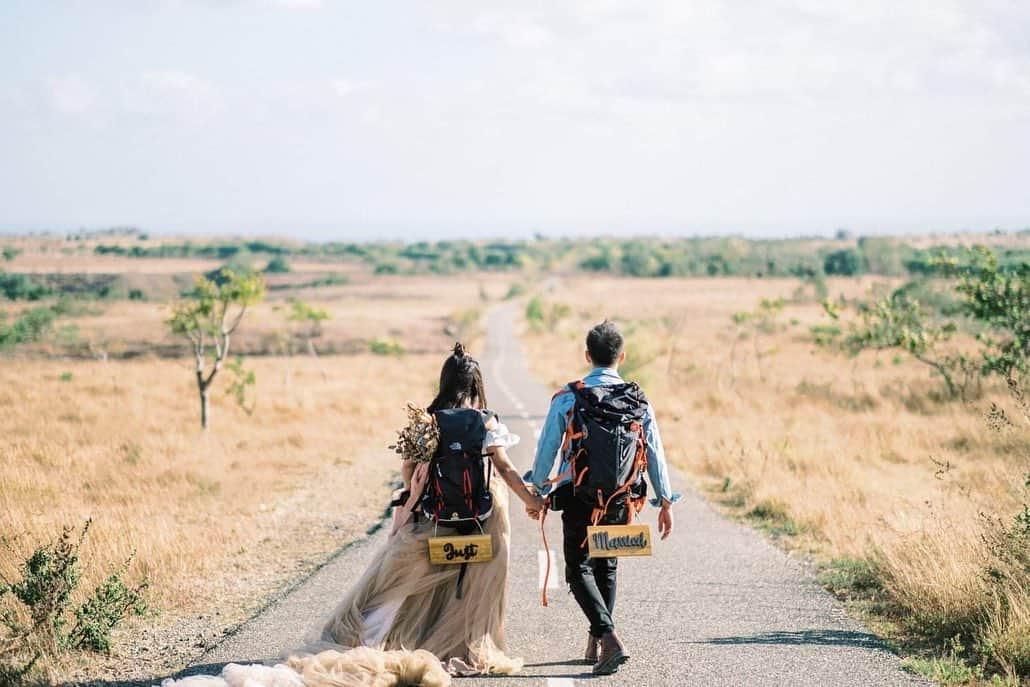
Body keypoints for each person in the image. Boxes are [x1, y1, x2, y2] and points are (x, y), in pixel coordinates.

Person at [165, 344, 545, 687]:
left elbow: (409, 473)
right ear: (476, 384)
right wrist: (531, 500)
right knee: (472, 590)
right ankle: (464, 647)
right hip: (484, 519)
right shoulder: (489, 423)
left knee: (393, 584)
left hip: (434, 518)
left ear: (444, 383)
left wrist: (412, 501)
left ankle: (367, 641)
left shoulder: (427, 423)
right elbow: (508, 469)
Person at [526, 320, 680, 676]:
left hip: (579, 495)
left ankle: (608, 636)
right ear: (621, 356)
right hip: (623, 498)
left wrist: (539, 491)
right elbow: (655, 452)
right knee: (606, 565)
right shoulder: (638, 400)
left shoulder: (569, 396)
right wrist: (665, 501)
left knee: (578, 569)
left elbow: (547, 448)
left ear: (586, 355)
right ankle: (598, 641)